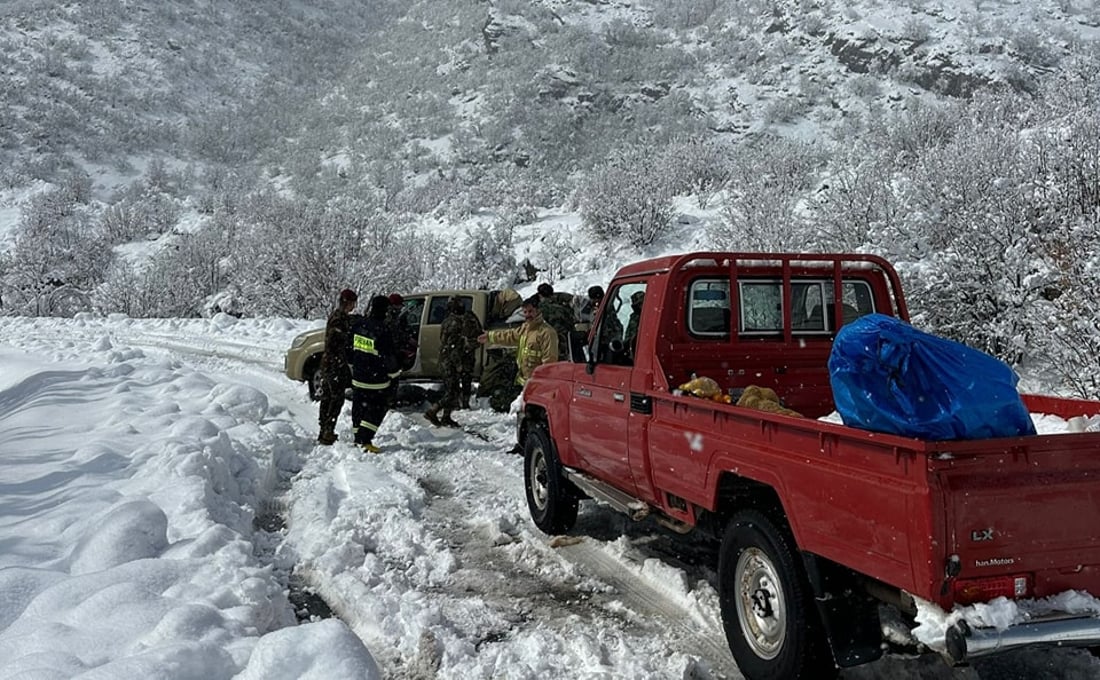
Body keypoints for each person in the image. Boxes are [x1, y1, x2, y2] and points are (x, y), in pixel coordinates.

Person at [477, 295, 558, 414]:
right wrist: (490, 336)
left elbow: (549, 362)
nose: (528, 314)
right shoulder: (525, 328)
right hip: (522, 382)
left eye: (531, 311)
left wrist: (542, 386)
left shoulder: (547, 333)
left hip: (536, 385)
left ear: (538, 311)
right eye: (525, 312)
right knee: (499, 402)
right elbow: (510, 336)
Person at [349, 295, 399, 453]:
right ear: (385, 310)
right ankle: (365, 439)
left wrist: (354, 365)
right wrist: (394, 373)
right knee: (376, 409)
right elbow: (388, 356)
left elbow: (348, 349)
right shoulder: (383, 330)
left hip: (358, 376)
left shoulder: (358, 325)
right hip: (376, 380)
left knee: (359, 406)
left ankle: (357, 436)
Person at [425, 297, 483, 427]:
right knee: (453, 391)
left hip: (450, 359)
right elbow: (453, 346)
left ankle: (446, 417)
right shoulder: (455, 323)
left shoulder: (451, 321)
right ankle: (433, 410)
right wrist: (458, 364)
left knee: (453, 389)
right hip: (451, 360)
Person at [317, 288, 357, 445]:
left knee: (328, 397)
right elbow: (337, 338)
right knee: (335, 398)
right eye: (352, 303)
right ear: (347, 303)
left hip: (331, 363)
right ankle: (327, 430)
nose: (353, 306)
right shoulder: (338, 318)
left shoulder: (340, 316)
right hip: (334, 363)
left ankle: (324, 430)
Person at [384, 292, 418, 407]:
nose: (401, 308)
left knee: (391, 378)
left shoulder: (391, 316)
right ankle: (389, 401)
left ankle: (390, 399)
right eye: (399, 306)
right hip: (391, 351)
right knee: (391, 378)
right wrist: (408, 340)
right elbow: (395, 333)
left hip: (391, 351)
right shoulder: (390, 318)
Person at [536, 282, 577, 360]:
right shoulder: (563, 304)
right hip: (571, 335)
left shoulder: (542, 307)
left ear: (540, 295)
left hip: (557, 339)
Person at [624, 290, 645, 358]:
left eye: (641, 303)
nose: (641, 306)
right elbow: (628, 336)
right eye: (639, 304)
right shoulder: (634, 318)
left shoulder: (651, 316)